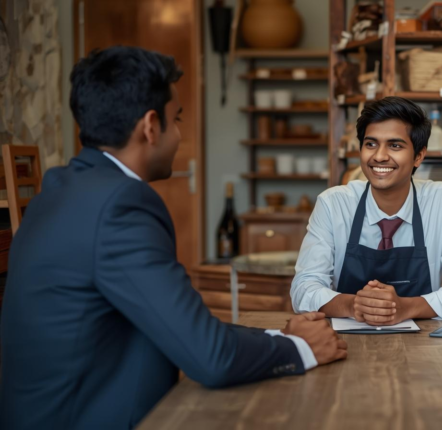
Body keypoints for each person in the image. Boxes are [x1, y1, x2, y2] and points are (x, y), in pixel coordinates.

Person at [0, 46, 346, 429]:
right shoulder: (120, 204)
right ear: (150, 126)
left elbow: (175, 323)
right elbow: (210, 358)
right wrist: (301, 348)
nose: (179, 134)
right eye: (176, 119)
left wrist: (280, 334)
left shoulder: (62, 188)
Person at [291, 97, 442, 326]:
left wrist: (405, 307)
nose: (379, 156)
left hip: (425, 347)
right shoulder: (334, 204)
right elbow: (303, 289)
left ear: (419, 156)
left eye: (395, 145)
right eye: (371, 144)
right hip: (344, 343)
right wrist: (354, 305)